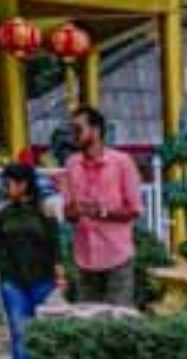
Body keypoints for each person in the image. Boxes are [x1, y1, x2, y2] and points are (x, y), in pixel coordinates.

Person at [57, 106, 141, 307]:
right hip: (84, 257)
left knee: (116, 322)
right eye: (71, 130)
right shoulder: (71, 164)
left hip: (116, 256)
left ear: (95, 131)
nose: (73, 135)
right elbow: (68, 212)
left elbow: (134, 210)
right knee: (87, 323)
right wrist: (73, 213)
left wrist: (99, 212)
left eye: (78, 129)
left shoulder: (122, 162)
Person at [0, 163, 61, 359]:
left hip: (43, 279)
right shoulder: (3, 215)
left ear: (23, 184)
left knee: (42, 333)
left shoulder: (45, 212)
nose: (6, 187)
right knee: (19, 331)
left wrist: (60, 273)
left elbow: (55, 245)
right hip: (12, 280)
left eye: (9, 182)